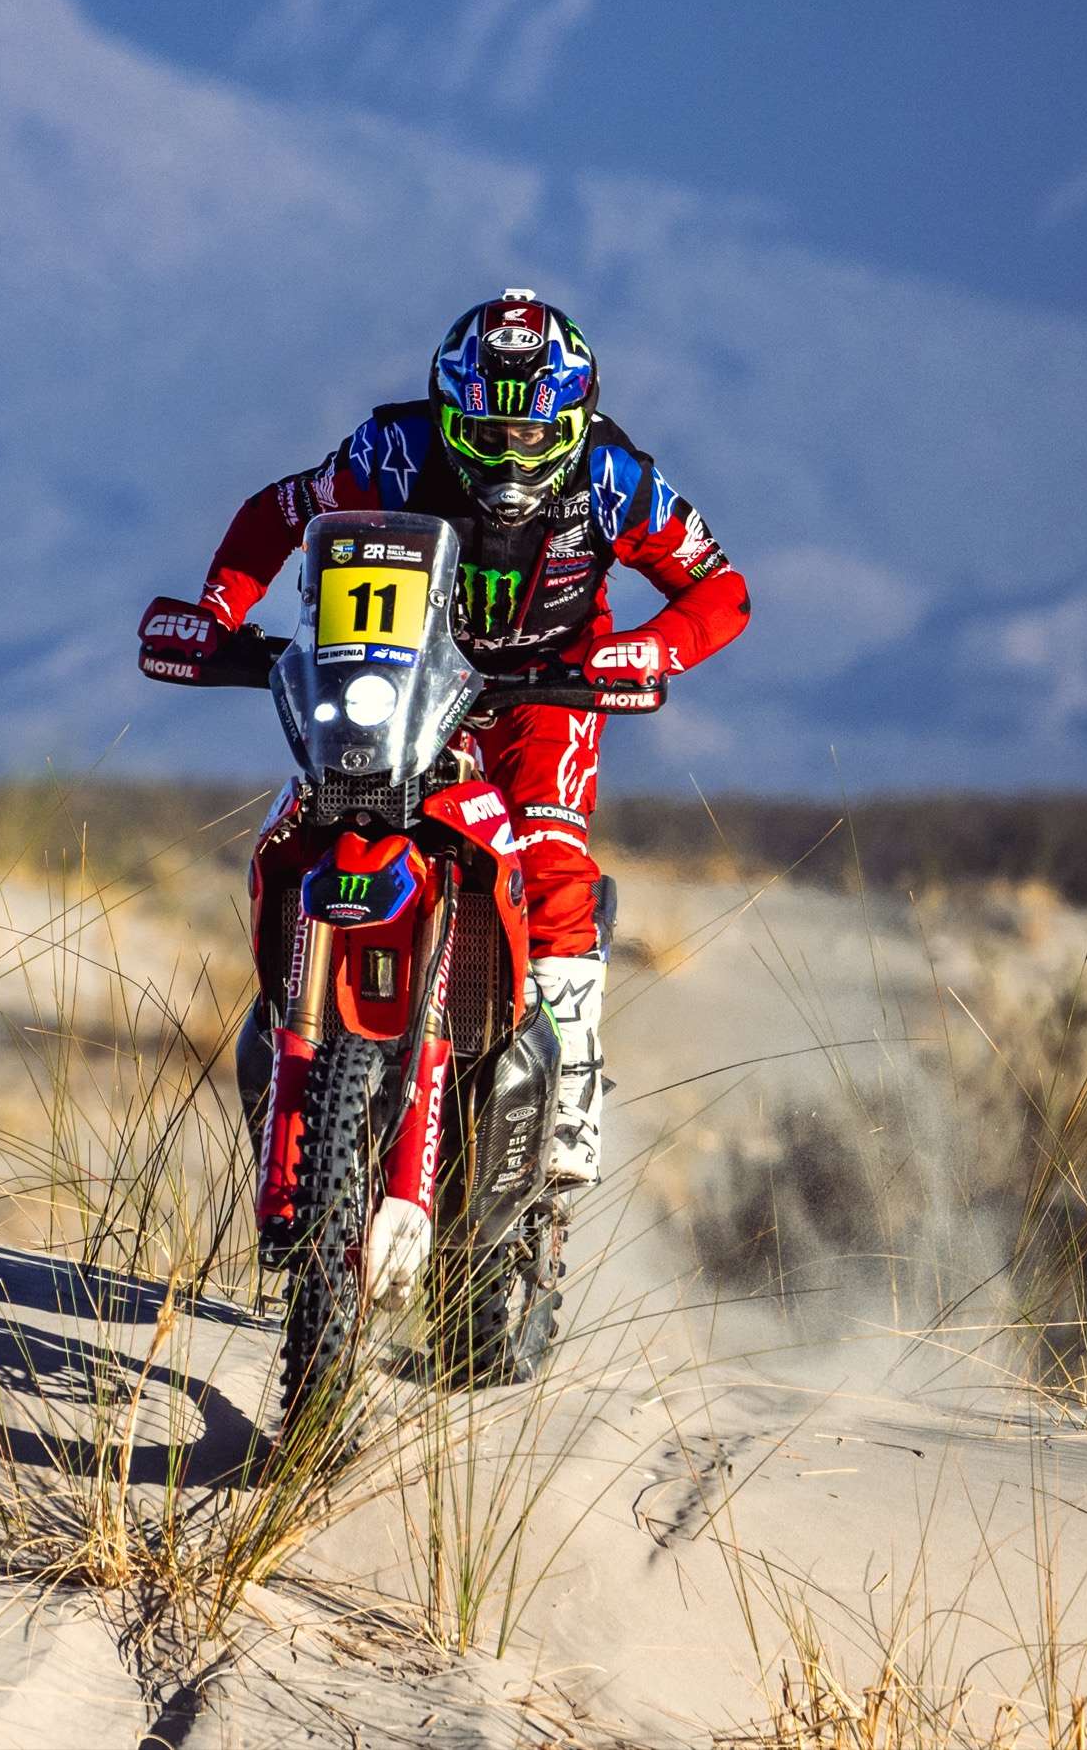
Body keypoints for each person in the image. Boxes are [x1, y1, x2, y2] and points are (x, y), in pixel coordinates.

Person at [149, 288, 748, 1191]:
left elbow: (720, 589)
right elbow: (278, 511)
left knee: (547, 851)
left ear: (571, 425)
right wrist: (218, 611)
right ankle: (295, 1026)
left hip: (544, 693)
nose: (509, 454)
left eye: (531, 435)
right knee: (311, 825)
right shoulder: (391, 450)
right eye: (486, 431)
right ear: (447, 414)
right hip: (404, 682)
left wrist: (652, 647)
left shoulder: (613, 477)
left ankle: (571, 1079)